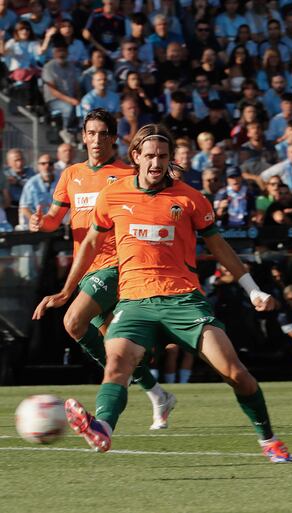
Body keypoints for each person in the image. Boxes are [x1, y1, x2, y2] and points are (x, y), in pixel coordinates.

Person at [32, 124, 292, 463]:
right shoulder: (113, 196)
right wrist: (67, 290)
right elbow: (91, 244)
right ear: (136, 156)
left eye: (163, 157)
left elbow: (220, 248)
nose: (157, 163)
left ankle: (269, 440)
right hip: (135, 302)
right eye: (150, 156)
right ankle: (103, 429)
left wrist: (253, 290)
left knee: (235, 373)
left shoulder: (190, 198)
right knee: (116, 364)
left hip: (184, 300)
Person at [28, 110, 175, 430]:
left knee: (72, 320)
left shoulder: (126, 174)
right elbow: (55, 219)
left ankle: (105, 418)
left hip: (116, 265)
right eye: (90, 133)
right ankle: (158, 394)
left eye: (102, 134)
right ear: (83, 137)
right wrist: (41, 223)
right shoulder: (71, 175)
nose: (96, 140)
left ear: (113, 138)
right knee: (116, 348)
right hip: (86, 268)